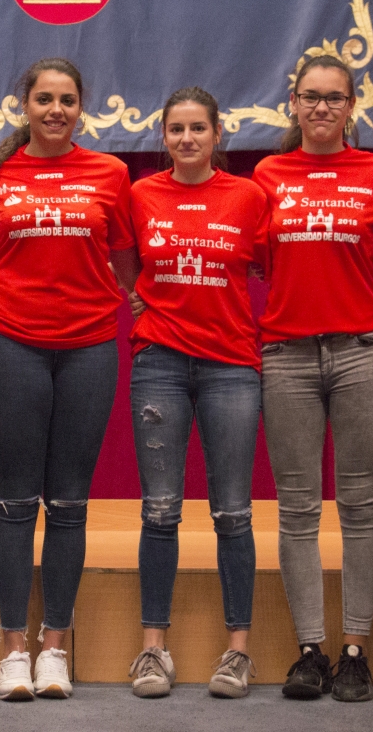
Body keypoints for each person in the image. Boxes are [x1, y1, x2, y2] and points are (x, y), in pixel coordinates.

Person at [0, 58, 138, 701]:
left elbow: (126, 264)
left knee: (68, 502)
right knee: (14, 501)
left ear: (81, 107)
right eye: (44, 99)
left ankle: (54, 648)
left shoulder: (111, 174)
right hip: (12, 347)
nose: (55, 109)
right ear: (25, 106)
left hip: (89, 349)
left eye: (67, 99)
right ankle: (13, 649)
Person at [252, 55, 373, 703]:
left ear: (352, 104)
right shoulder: (266, 174)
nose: (320, 108)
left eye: (333, 98)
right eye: (310, 97)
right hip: (286, 354)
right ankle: (310, 649)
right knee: (298, 508)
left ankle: (356, 650)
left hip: (362, 350)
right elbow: (259, 258)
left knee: (362, 503)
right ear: (292, 101)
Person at [122, 88, 267, 699]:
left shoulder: (250, 197)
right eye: (176, 130)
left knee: (232, 512)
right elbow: (126, 264)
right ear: (164, 137)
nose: (186, 139)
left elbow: (268, 264)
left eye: (198, 129)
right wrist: (143, 297)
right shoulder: (140, 195)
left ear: (217, 135)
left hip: (232, 364)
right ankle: (153, 650)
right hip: (159, 360)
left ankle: (237, 653)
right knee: (159, 510)